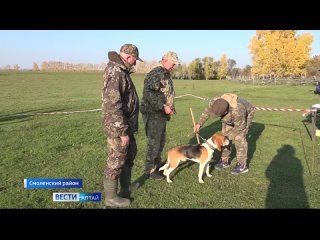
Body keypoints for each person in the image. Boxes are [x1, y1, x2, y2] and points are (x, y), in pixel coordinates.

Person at [101, 43, 143, 207]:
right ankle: (111, 198)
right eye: (134, 59)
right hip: (119, 128)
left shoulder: (122, 71)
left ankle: (126, 188)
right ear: (128, 57)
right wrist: (122, 132)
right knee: (116, 161)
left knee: (129, 155)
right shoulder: (116, 72)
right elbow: (112, 105)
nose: (135, 63)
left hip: (126, 125)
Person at [140, 51, 181, 180]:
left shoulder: (165, 73)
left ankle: (156, 166)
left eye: (175, 63)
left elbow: (164, 93)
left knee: (160, 142)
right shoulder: (157, 72)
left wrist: (170, 108)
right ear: (164, 60)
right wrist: (163, 107)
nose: (174, 66)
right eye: (172, 63)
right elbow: (149, 93)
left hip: (160, 114)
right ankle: (151, 170)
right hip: (153, 113)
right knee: (154, 142)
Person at [194, 93, 255, 175]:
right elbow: (207, 111)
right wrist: (199, 124)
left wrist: (226, 138)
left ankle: (242, 165)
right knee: (225, 136)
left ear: (225, 111)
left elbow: (240, 127)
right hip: (229, 117)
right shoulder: (215, 102)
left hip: (245, 115)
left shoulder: (237, 110)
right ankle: (224, 160)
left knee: (239, 139)